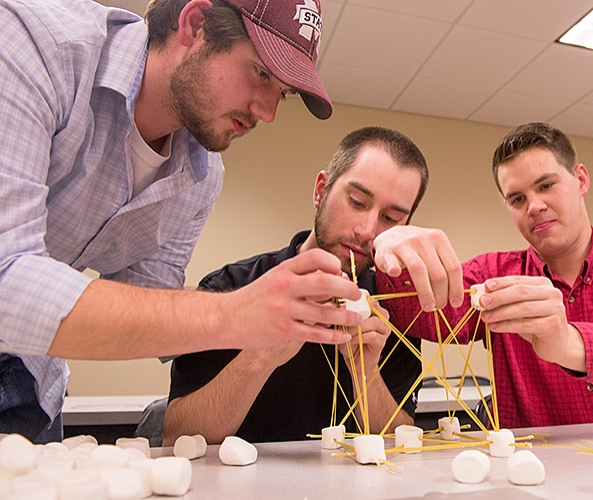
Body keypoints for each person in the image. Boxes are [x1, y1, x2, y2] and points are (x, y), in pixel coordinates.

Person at [0, 0, 364, 443]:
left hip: (32, 375)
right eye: (261, 73)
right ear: (195, 24)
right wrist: (235, 311)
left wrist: (275, 324)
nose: (267, 112)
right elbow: (6, 283)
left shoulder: (201, 176)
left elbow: (151, 308)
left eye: (282, 93)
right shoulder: (34, 44)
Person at [372, 122, 593, 428]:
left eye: (546, 186)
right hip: (534, 477)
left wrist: (575, 344)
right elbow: (415, 313)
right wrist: (394, 252)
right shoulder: (493, 276)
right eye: (517, 199)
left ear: (581, 178)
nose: (535, 206)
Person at [163, 127, 428, 445]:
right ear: (321, 191)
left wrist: (365, 372)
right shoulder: (229, 287)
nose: (367, 230)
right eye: (357, 202)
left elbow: (403, 444)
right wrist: (260, 356)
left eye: (390, 218)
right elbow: (177, 436)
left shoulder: (396, 308)